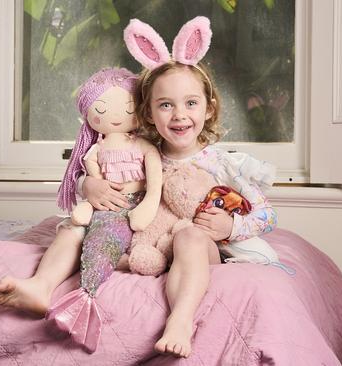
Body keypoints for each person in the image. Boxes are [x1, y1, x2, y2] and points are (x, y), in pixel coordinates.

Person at [84, 16, 277, 358]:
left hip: (198, 249)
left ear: (209, 107)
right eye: (165, 104)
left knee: (188, 234)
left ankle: (181, 320)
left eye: (191, 103)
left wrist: (231, 226)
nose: (179, 115)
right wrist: (89, 186)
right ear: (147, 112)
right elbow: (101, 176)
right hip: (151, 247)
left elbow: (267, 215)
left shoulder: (221, 164)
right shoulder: (139, 155)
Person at [0, 68, 162, 327]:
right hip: (101, 208)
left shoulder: (148, 144)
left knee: (122, 238)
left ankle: (112, 258)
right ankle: (40, 286)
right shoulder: (97, 147)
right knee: (72, 228)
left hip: (140, 214)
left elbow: (158, 181)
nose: (116, 116)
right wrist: (88, 184)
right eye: (103, 109)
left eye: (127, 108)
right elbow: (79, 174)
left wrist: (146, 200)